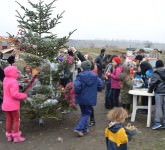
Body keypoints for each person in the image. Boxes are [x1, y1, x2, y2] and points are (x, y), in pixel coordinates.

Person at [73, 60, 103, 136]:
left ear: (82, 68)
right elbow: (100, 85)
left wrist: (76, 92)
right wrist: (98, 89)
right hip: (90, 98)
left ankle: (84, 129)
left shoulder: (79, 76)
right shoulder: (95, 76)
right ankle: (79, 128)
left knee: (84, 113)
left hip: (81, 98)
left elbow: (76, 87)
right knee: (87, 113)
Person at [2, 66, 27, 142]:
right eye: (16, 72)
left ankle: (9, 136)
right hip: (13, 105)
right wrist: (24, 95)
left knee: (9, 120)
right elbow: (14, 94)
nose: (17, 73)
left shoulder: (5, 79)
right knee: (16, 120)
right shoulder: (13, 82)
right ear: (12, 72)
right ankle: (16, 137)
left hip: (6, 104)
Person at [148, 60, 165, 129]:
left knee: (158, 107)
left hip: (159, 92)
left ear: (156, 65)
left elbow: (153, 83)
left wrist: (150, 90)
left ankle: (157, 123)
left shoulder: (156, 73)